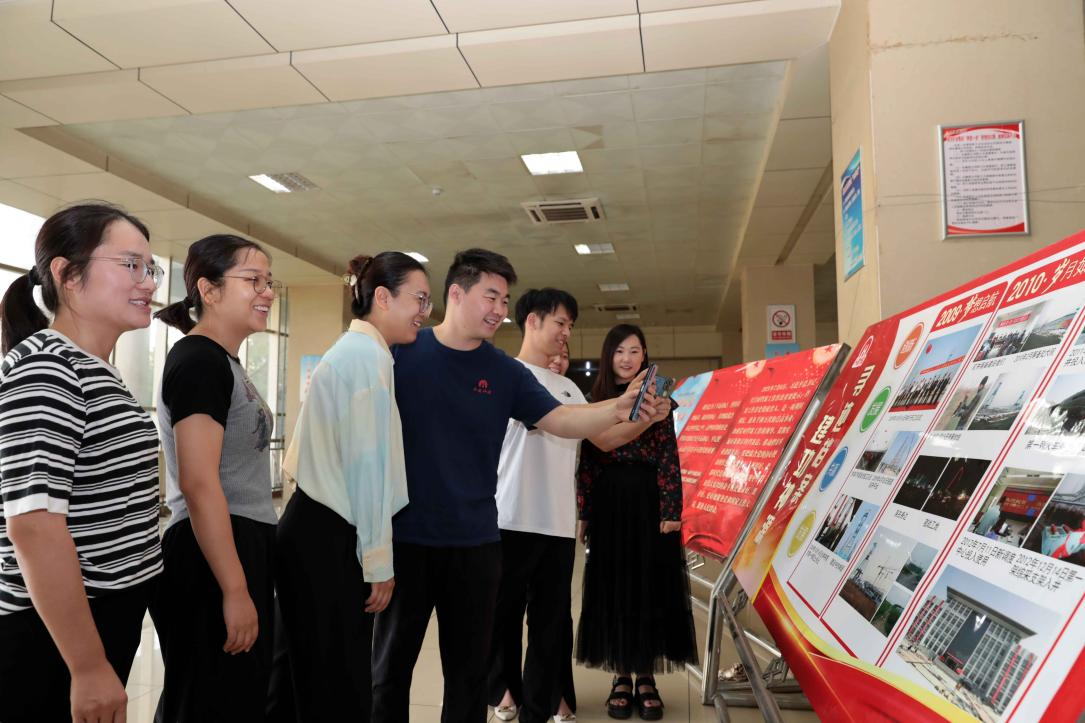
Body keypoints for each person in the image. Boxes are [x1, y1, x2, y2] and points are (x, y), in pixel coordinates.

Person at [372, 249, 659, 723]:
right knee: (390, 669)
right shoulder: (402, 353)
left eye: (505, 300)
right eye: (491, 297)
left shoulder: (504, 371)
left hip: (476, 544)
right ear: (456, 293)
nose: (500, 310)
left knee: (467, 676)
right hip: (408, 539)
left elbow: (563, 419)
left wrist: (622, 406)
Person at [0, 202, 164, 722]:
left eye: (151, 269)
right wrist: (88, 666)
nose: (148, 283)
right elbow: (34, 526)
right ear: (68, 275)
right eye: (131, 265)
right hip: (54, 633)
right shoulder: (48, 369)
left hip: (98, 618)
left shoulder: (90, 367)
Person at [276, 252, 429, 720]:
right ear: (383, 297)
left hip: (314, 524)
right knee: (335, 681)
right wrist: (378, 561)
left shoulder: (358, 351)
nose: (424, 312)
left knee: (308, 674)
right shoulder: (366, 358)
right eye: (419, 299)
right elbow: (367, 468)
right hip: (328, 532)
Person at [152, 234, 282, 721]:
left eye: (269, 281)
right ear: (208, 290)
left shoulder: (222, 360)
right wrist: (234, 588)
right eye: (253, 280)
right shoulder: (199, 361)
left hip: (236, 543)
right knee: (208, 703)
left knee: (233, 700)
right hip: (210, 553)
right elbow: (199, 481)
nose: (266, 292)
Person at [489, 290, 627, 723]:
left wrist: (645, 416)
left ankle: (539, 707)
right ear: (532, 321)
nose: (567, 333)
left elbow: (604, 438)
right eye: (560, 323)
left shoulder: (567, 387)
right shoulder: (505, 375)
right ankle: (503, 691)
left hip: (557, 525)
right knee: (502, 617)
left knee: (550, 625)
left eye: (571, 325)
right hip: (509, 517)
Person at [575, 324, 698, 721]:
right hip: (609, 502)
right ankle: (621, 676)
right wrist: (584, 510)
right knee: (614, 587)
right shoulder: (596, 402)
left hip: (648, 500)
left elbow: (668, 455)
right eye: (619, 351)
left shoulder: (659, 399)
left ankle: (646, 676)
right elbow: (589, 461)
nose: (627, 358)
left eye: (634, 351)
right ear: (608, 356)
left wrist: (671, 509)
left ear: (645, 355)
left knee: (649, 587)